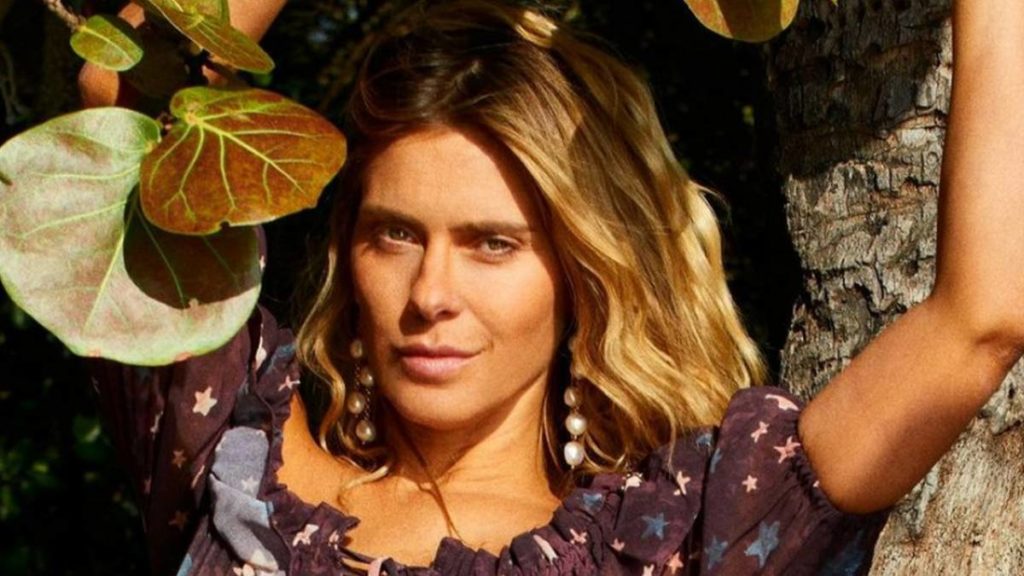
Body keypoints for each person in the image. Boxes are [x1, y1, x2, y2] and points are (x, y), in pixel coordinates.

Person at [75, 0, 1024, 574]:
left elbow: (981, 318)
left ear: (579, 273)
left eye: (493, 245)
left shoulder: (690, 526)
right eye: (395, 233)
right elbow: (123, 96)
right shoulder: (228, 437)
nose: (430, 293)